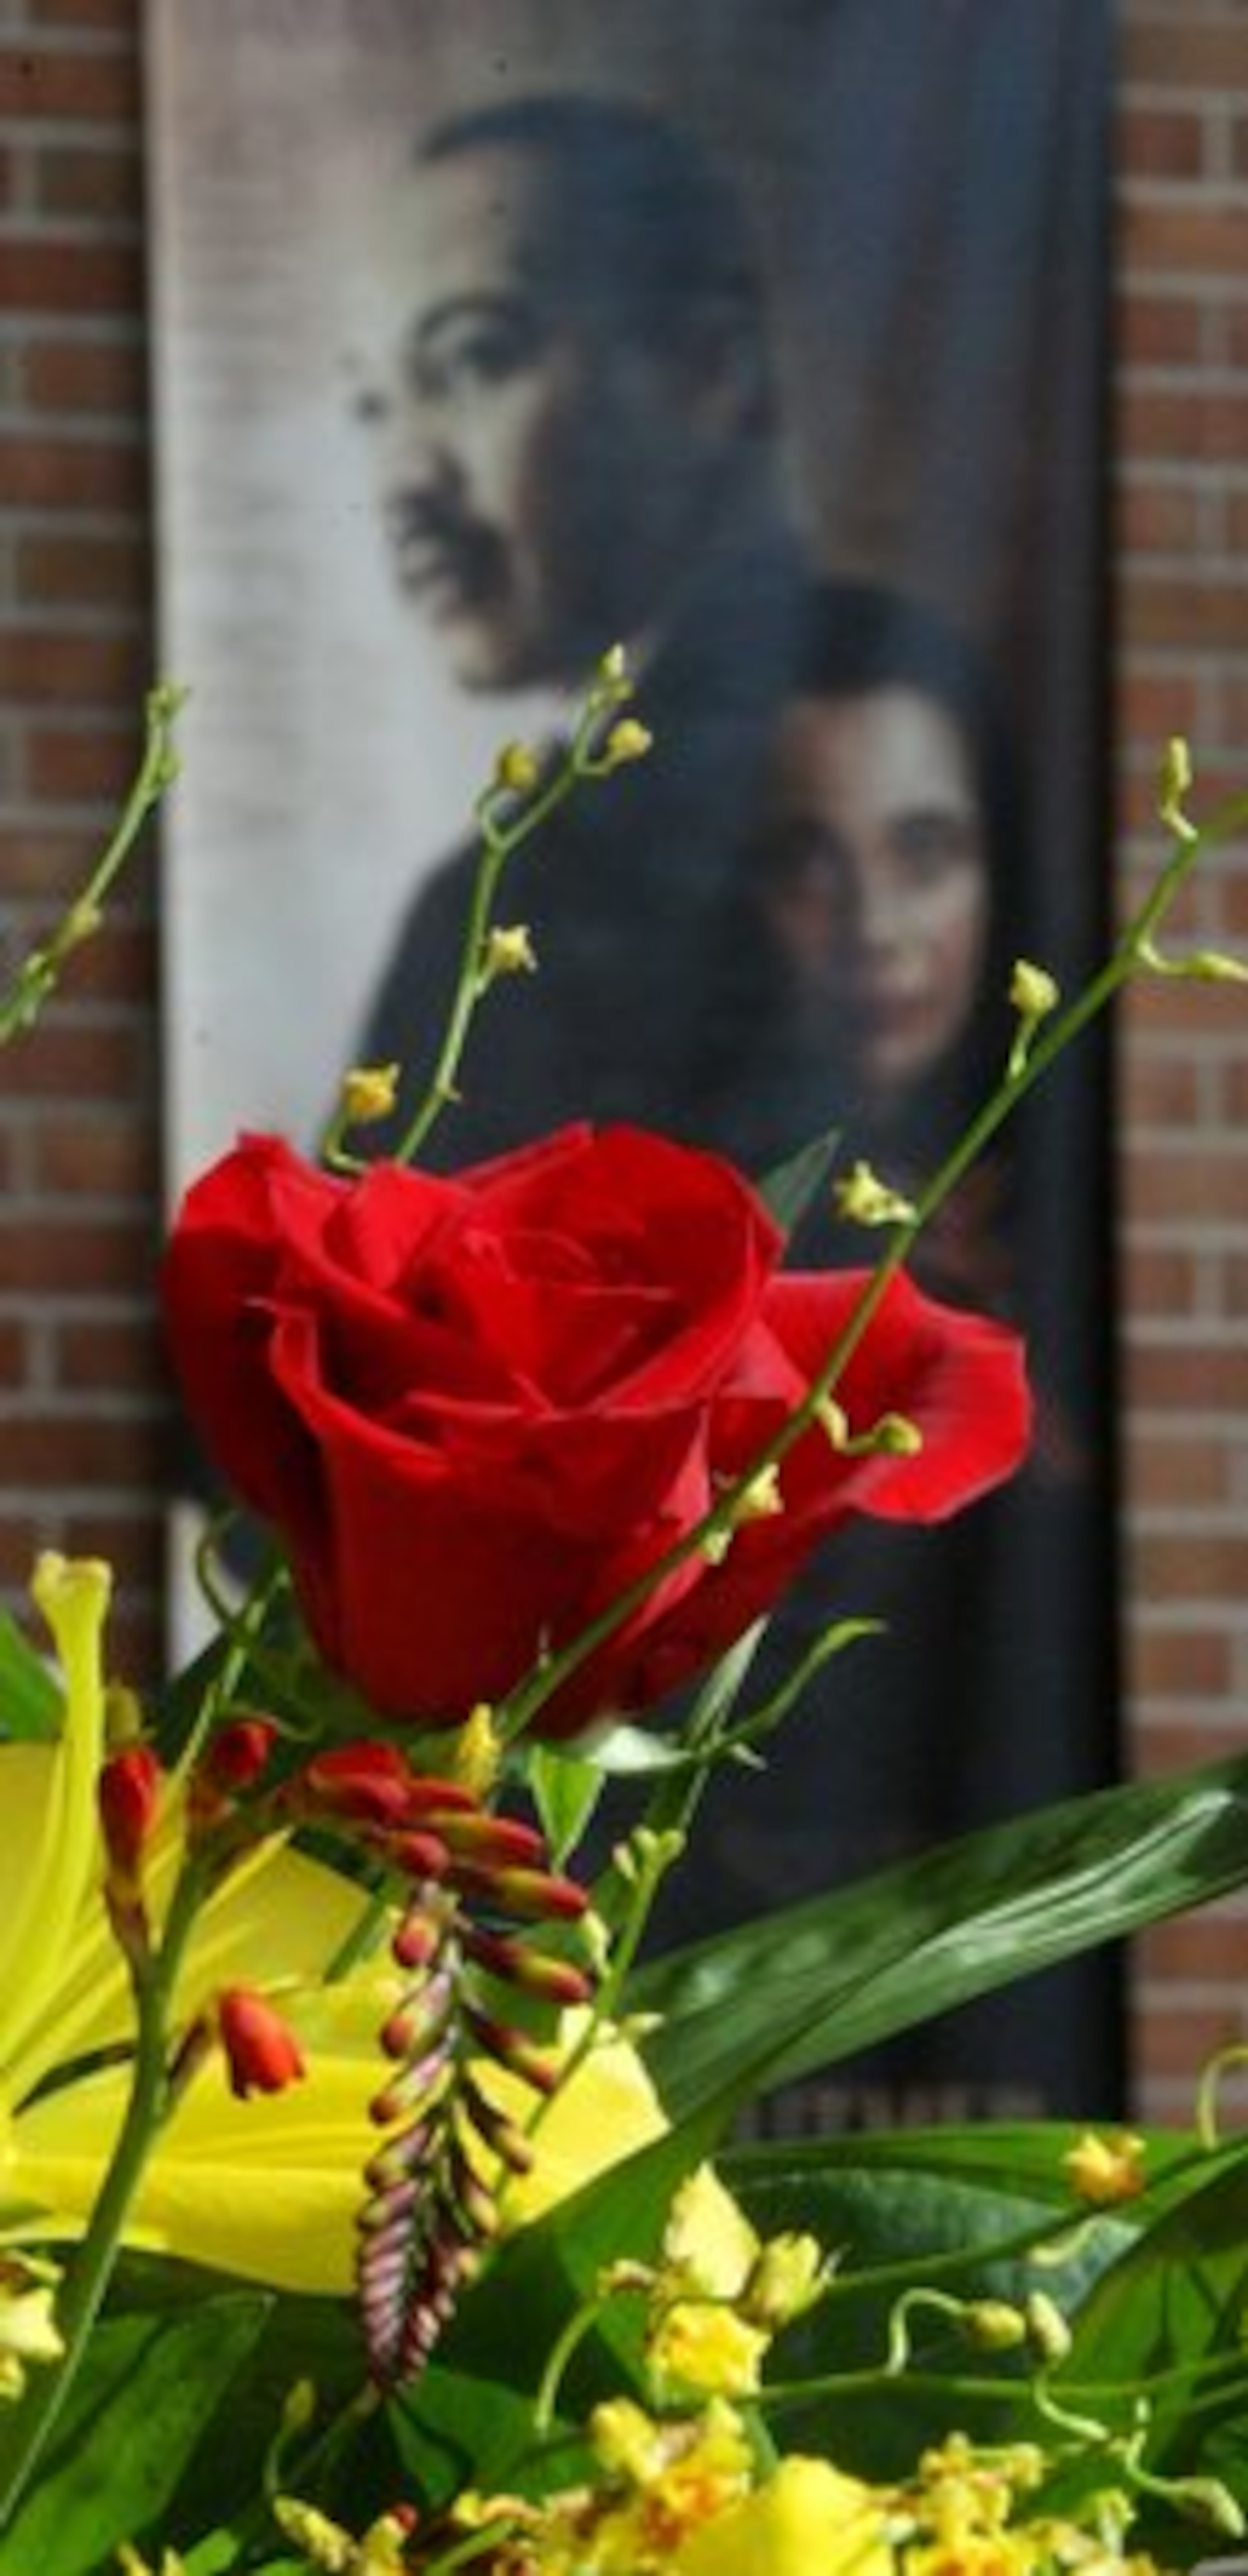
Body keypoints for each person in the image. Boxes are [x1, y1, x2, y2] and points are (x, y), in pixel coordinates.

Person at [345, 91, 817, 1164]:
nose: (405, 475)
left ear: (709, 371)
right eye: (374, 405)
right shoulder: (515, 874)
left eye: (474, 361)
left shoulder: (840, 779)